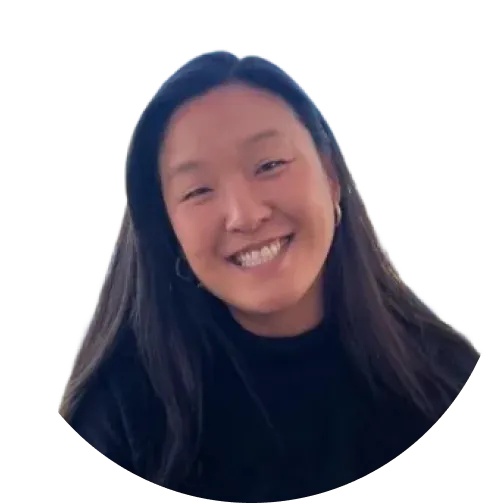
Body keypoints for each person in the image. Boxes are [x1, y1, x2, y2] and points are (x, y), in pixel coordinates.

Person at [57, 49, 480, 502]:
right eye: (198, 190)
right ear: (168, 228)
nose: (245, 215)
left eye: (269, 165)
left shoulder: (444, 374)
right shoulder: (122, 418)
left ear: (331, 175)